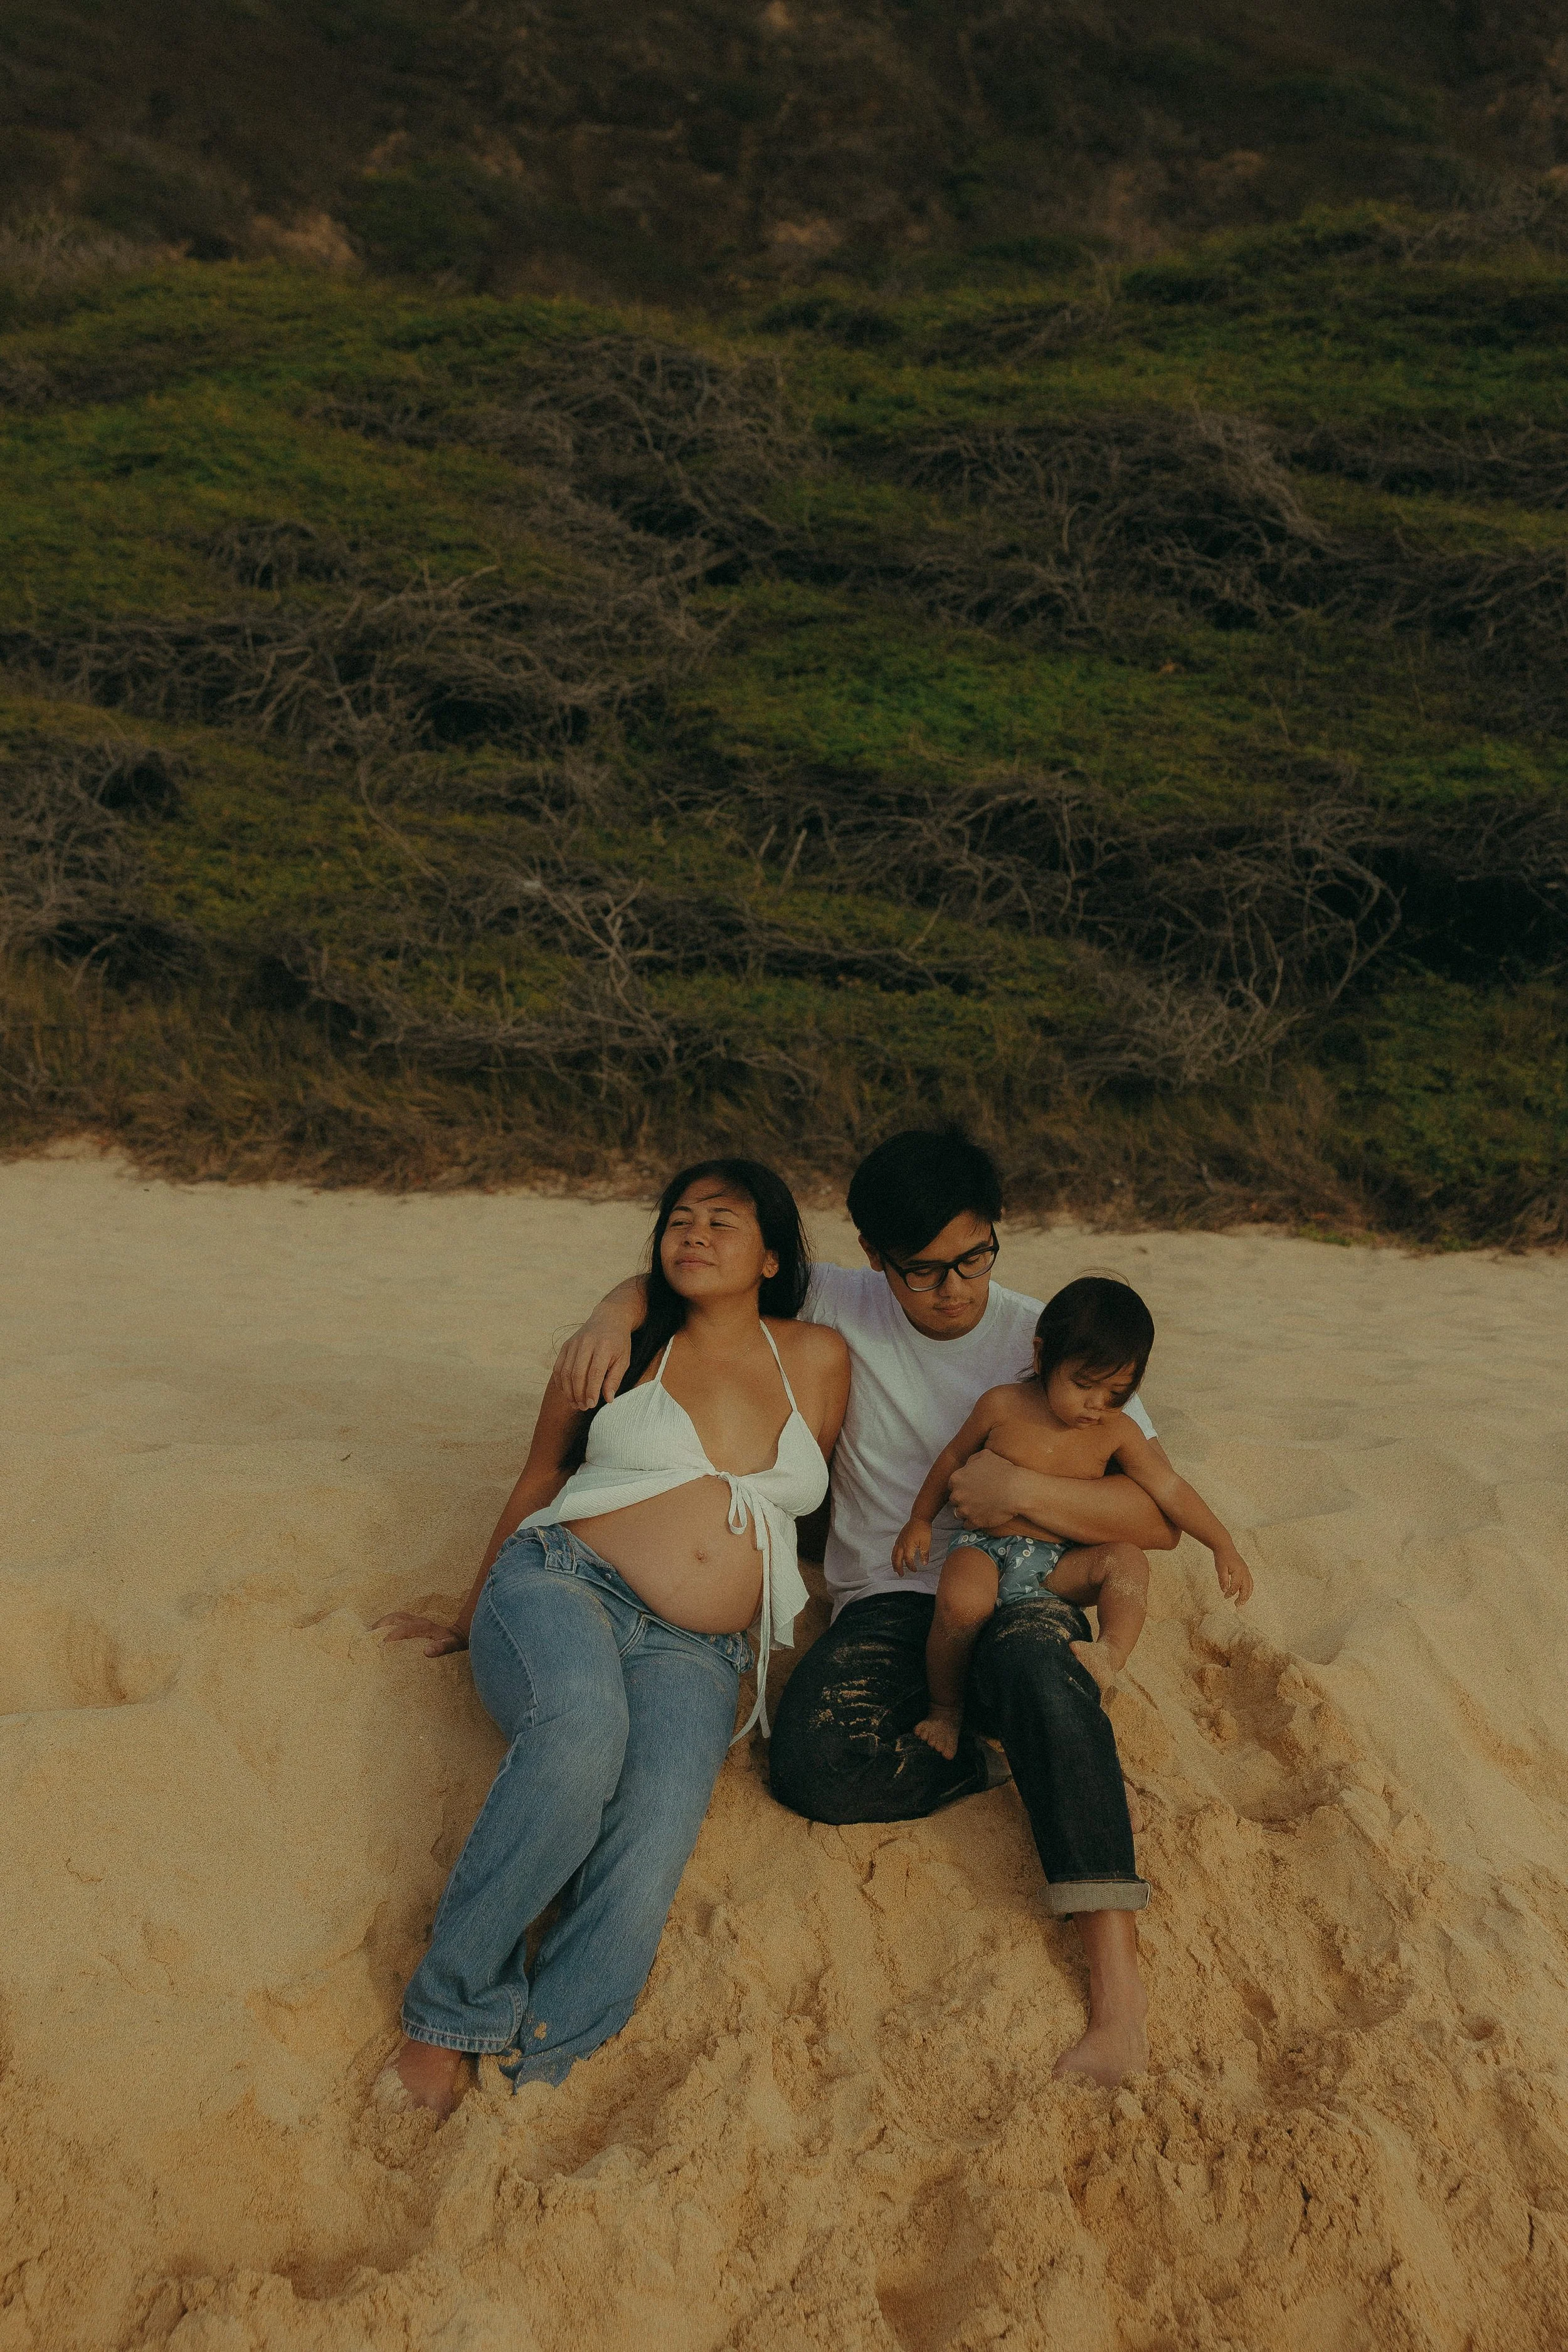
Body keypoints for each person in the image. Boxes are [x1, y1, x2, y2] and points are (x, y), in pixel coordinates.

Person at [555, 1130, 1181, 2086]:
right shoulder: (834, 1299)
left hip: (1018, 1583)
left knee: (1040, 1672)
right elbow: (694, 1275)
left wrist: (1019, 1492)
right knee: (812, 1765)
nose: (954, 1289)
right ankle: (984, 1751)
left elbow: (1157, 1513)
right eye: (923, 1271)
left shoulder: (1045, 1336)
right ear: (876, 1257)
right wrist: (609, 1308)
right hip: (889, 1603)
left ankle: (1119, 1996)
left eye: (975, 1257)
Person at [375, 1158, 849, 2115]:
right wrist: (472, 1620)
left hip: (700, 1650)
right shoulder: (616, 1348)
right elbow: (537, 1478)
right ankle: (447, 2012)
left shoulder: (819, 1357)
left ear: (771, 1257)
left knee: (656, 1823)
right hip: (564, 1582)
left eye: (724, 1221)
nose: (696, 1233)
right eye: (680, 1218)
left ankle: (550, 2048)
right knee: (580, 1735)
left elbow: (817, 1522)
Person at [893, 1274, 1254, 1759]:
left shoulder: (1117, 1432)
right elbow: (953, 1459)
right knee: (960, 1606)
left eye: (1117, 1393)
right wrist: (920, 1519)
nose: (1097, 1405)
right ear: (1043, 1357)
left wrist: (1222, 1543)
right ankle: (946, 1710)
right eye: (1084, 1385)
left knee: (1128, 1563)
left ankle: (1109, 1654)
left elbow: (1169, 1487)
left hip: (1059, 1563)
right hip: (984, 1548)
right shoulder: (1002, 1405)